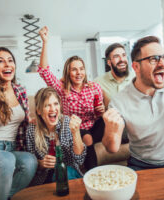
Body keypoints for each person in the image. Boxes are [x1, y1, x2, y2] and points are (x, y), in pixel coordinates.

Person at [102, 36, 164, 171]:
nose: (162, 64)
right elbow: (112, 148)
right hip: (141, 164)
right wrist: (110, 130)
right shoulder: (119, 101)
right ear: (136, 66)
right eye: (153, 59)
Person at [38, 26, 105, 169]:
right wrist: (45, 42)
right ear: (68, 72)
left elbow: (99, 114)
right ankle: (91, 174)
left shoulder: (94, 88)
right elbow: (44, 72)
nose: (78, 72)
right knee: (87, 139)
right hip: (76, 128)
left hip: (95, 125)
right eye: (74, 69)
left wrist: (101, 110)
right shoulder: (62, 89)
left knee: (110, 118)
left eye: (81, 68)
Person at [0, 47, 37, 200]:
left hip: (12, 147)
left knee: (30, 161)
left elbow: (25, 119)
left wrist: (34, 122)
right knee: (6, 161)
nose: (7, 64)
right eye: (1, 61)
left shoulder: (20, 90)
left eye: (10, 60)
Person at [26, 87, 86, 185]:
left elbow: (79, 160)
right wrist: (41, 164)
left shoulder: (67, 123)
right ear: (39, 111)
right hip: (43, 178)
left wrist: (76, 133)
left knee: (63, 172)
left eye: (56, 104)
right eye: (47, 105)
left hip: (69, 173)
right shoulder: (32, 129)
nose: (53, 109)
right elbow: (31, 163)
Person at [94, 43, 135, 108]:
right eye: (116, 56)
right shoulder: (97, 83)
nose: (122, 59)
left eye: (124, 55)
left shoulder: (137, 77)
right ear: (109, 62)